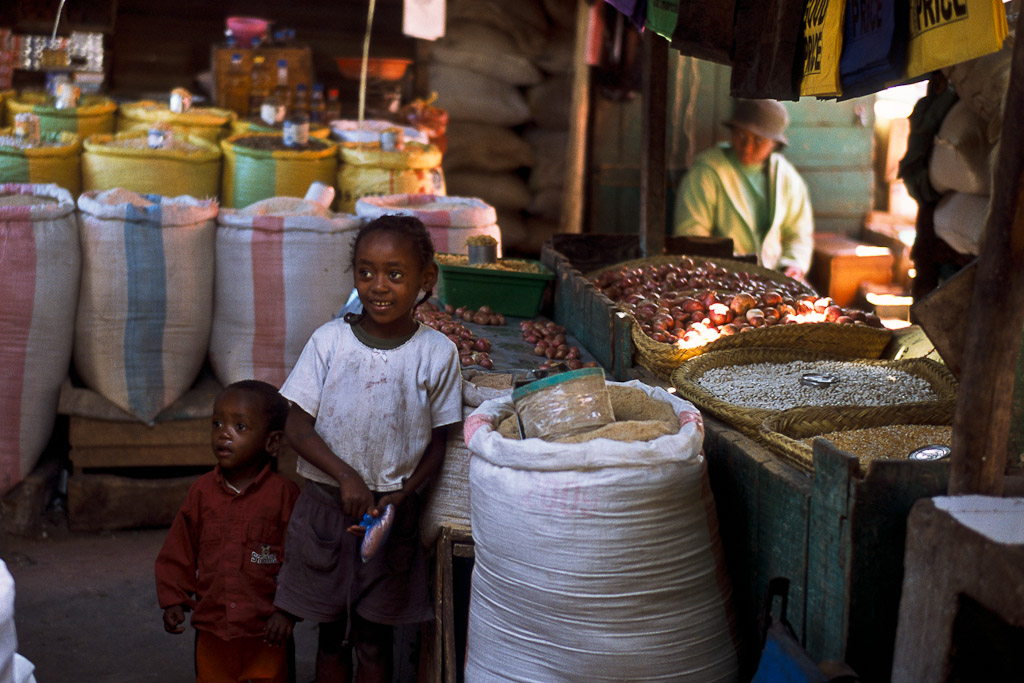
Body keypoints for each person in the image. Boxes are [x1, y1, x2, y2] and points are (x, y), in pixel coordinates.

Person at [273, 214, 462, 682]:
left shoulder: (437, 353)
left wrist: (404, 495)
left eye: (395, 274)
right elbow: (297, 427)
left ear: (426, 279)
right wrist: (345, 476)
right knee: (330, 635)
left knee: (374, 641)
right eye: (365, 271)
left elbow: (437, 446)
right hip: (325, 510)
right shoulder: (329, 341)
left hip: (389, 520)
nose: (378, 286)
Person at [155, 380, 300, 683]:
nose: (224, 433)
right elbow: (178, 549)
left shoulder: (285, 495)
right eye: (217, 423)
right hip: (213, 629)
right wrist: (173, 598)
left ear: (272, 443)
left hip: (267, 631)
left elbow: (299, 560)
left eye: (240, 427)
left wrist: (287, 612)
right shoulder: (201, 493)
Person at [673, 98, 814, 282]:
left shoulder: (787, 178)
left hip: (776, 278)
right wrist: (725, 272)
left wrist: (794, 265)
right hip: (720, 278)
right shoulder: (706, 172)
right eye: (741, 136)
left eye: (758, 140)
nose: (747, 147)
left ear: (774, 143)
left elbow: (798, 234)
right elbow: (692, 237)